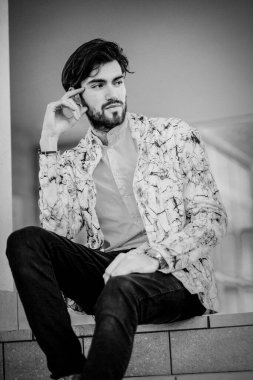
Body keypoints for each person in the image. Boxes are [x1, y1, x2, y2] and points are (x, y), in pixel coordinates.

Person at [6, 38, 227, 380]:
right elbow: (56, 237)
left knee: (121, 288)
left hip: (176, 276)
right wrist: (49, 142)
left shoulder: (173, 135)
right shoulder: (75, 162)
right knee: (24, 242)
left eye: (118, 81)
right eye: (98, 85)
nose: (113, 93)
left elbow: (211, 219)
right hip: (110, 272)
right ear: (76, 96)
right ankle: (67, 370)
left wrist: (152, 256)